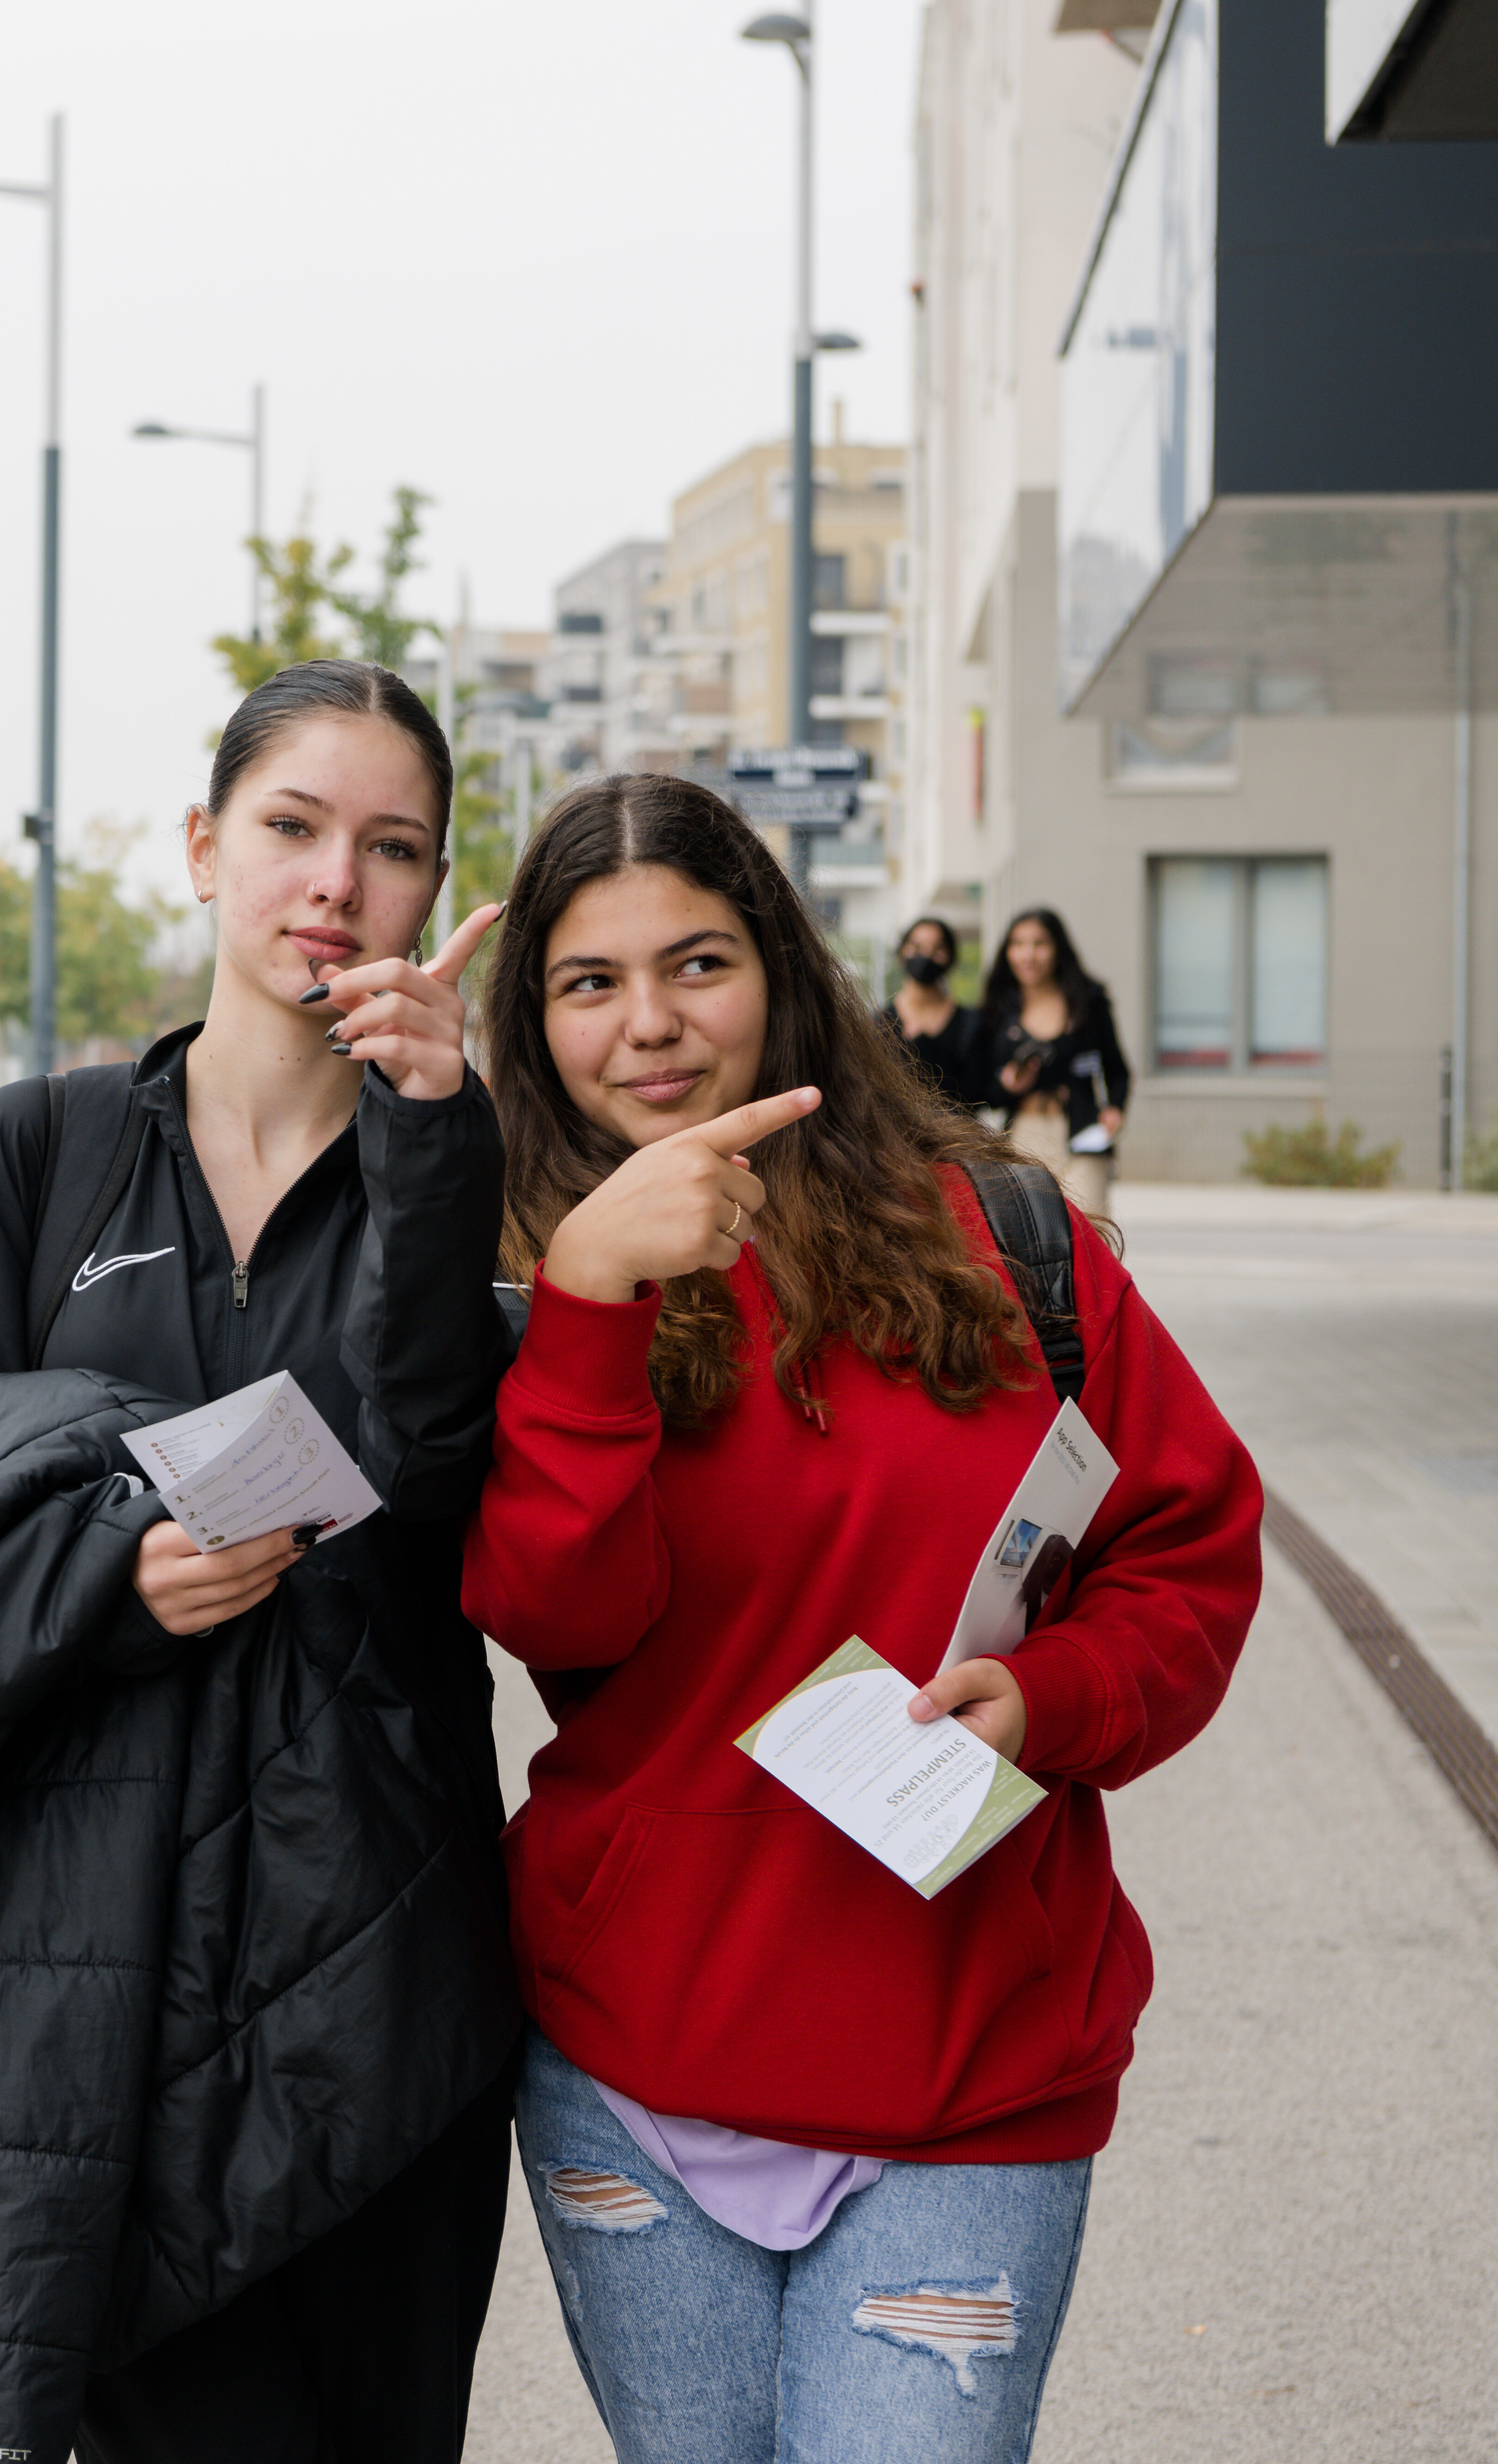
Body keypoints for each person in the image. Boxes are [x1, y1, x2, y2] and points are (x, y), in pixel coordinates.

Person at [467, 773, 1261, 2464]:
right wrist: (595, 1300)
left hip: (965, 2067)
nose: (650, 1026)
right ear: (533, 1025)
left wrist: (1051, 1696)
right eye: (587, 983)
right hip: (633, 2060)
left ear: (777, 965)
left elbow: (1184, 1547)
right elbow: (553, 1609)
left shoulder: (1000, 1237)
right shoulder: (516, 1282)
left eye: (694, 962)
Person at [0, 658, 519, 2459]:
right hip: (79, 1975)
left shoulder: (458, 1158)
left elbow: (445, 1473)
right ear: (201, 846)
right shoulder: (36, 1152)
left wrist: (436, 1148)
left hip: (379, 1959)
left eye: (388, 847)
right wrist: (99, 1566)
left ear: (430, 892)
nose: (332, 883)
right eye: (288, 826)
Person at [978, 904, 1131, 1209]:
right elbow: (982, 1086)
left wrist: (1114, 1107)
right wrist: (1008, 1085)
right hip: (1022, 1135)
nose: (1028, 955)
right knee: (1029, 1238)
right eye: (1018, 944)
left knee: (1090, 1230)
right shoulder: (997, 1009)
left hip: (1082, 1133)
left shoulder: (1088, 1002)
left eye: (1039, 944)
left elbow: (1117, 1069)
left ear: (1057, 948)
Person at [877, 914, 998, 1110]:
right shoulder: (879, 1023)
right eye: (917, 947)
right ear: (901, 953)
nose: (926, 954)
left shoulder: (971, 1023)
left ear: (951, 958)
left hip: (957, 1137)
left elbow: (979, 1093)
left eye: (938, 948)